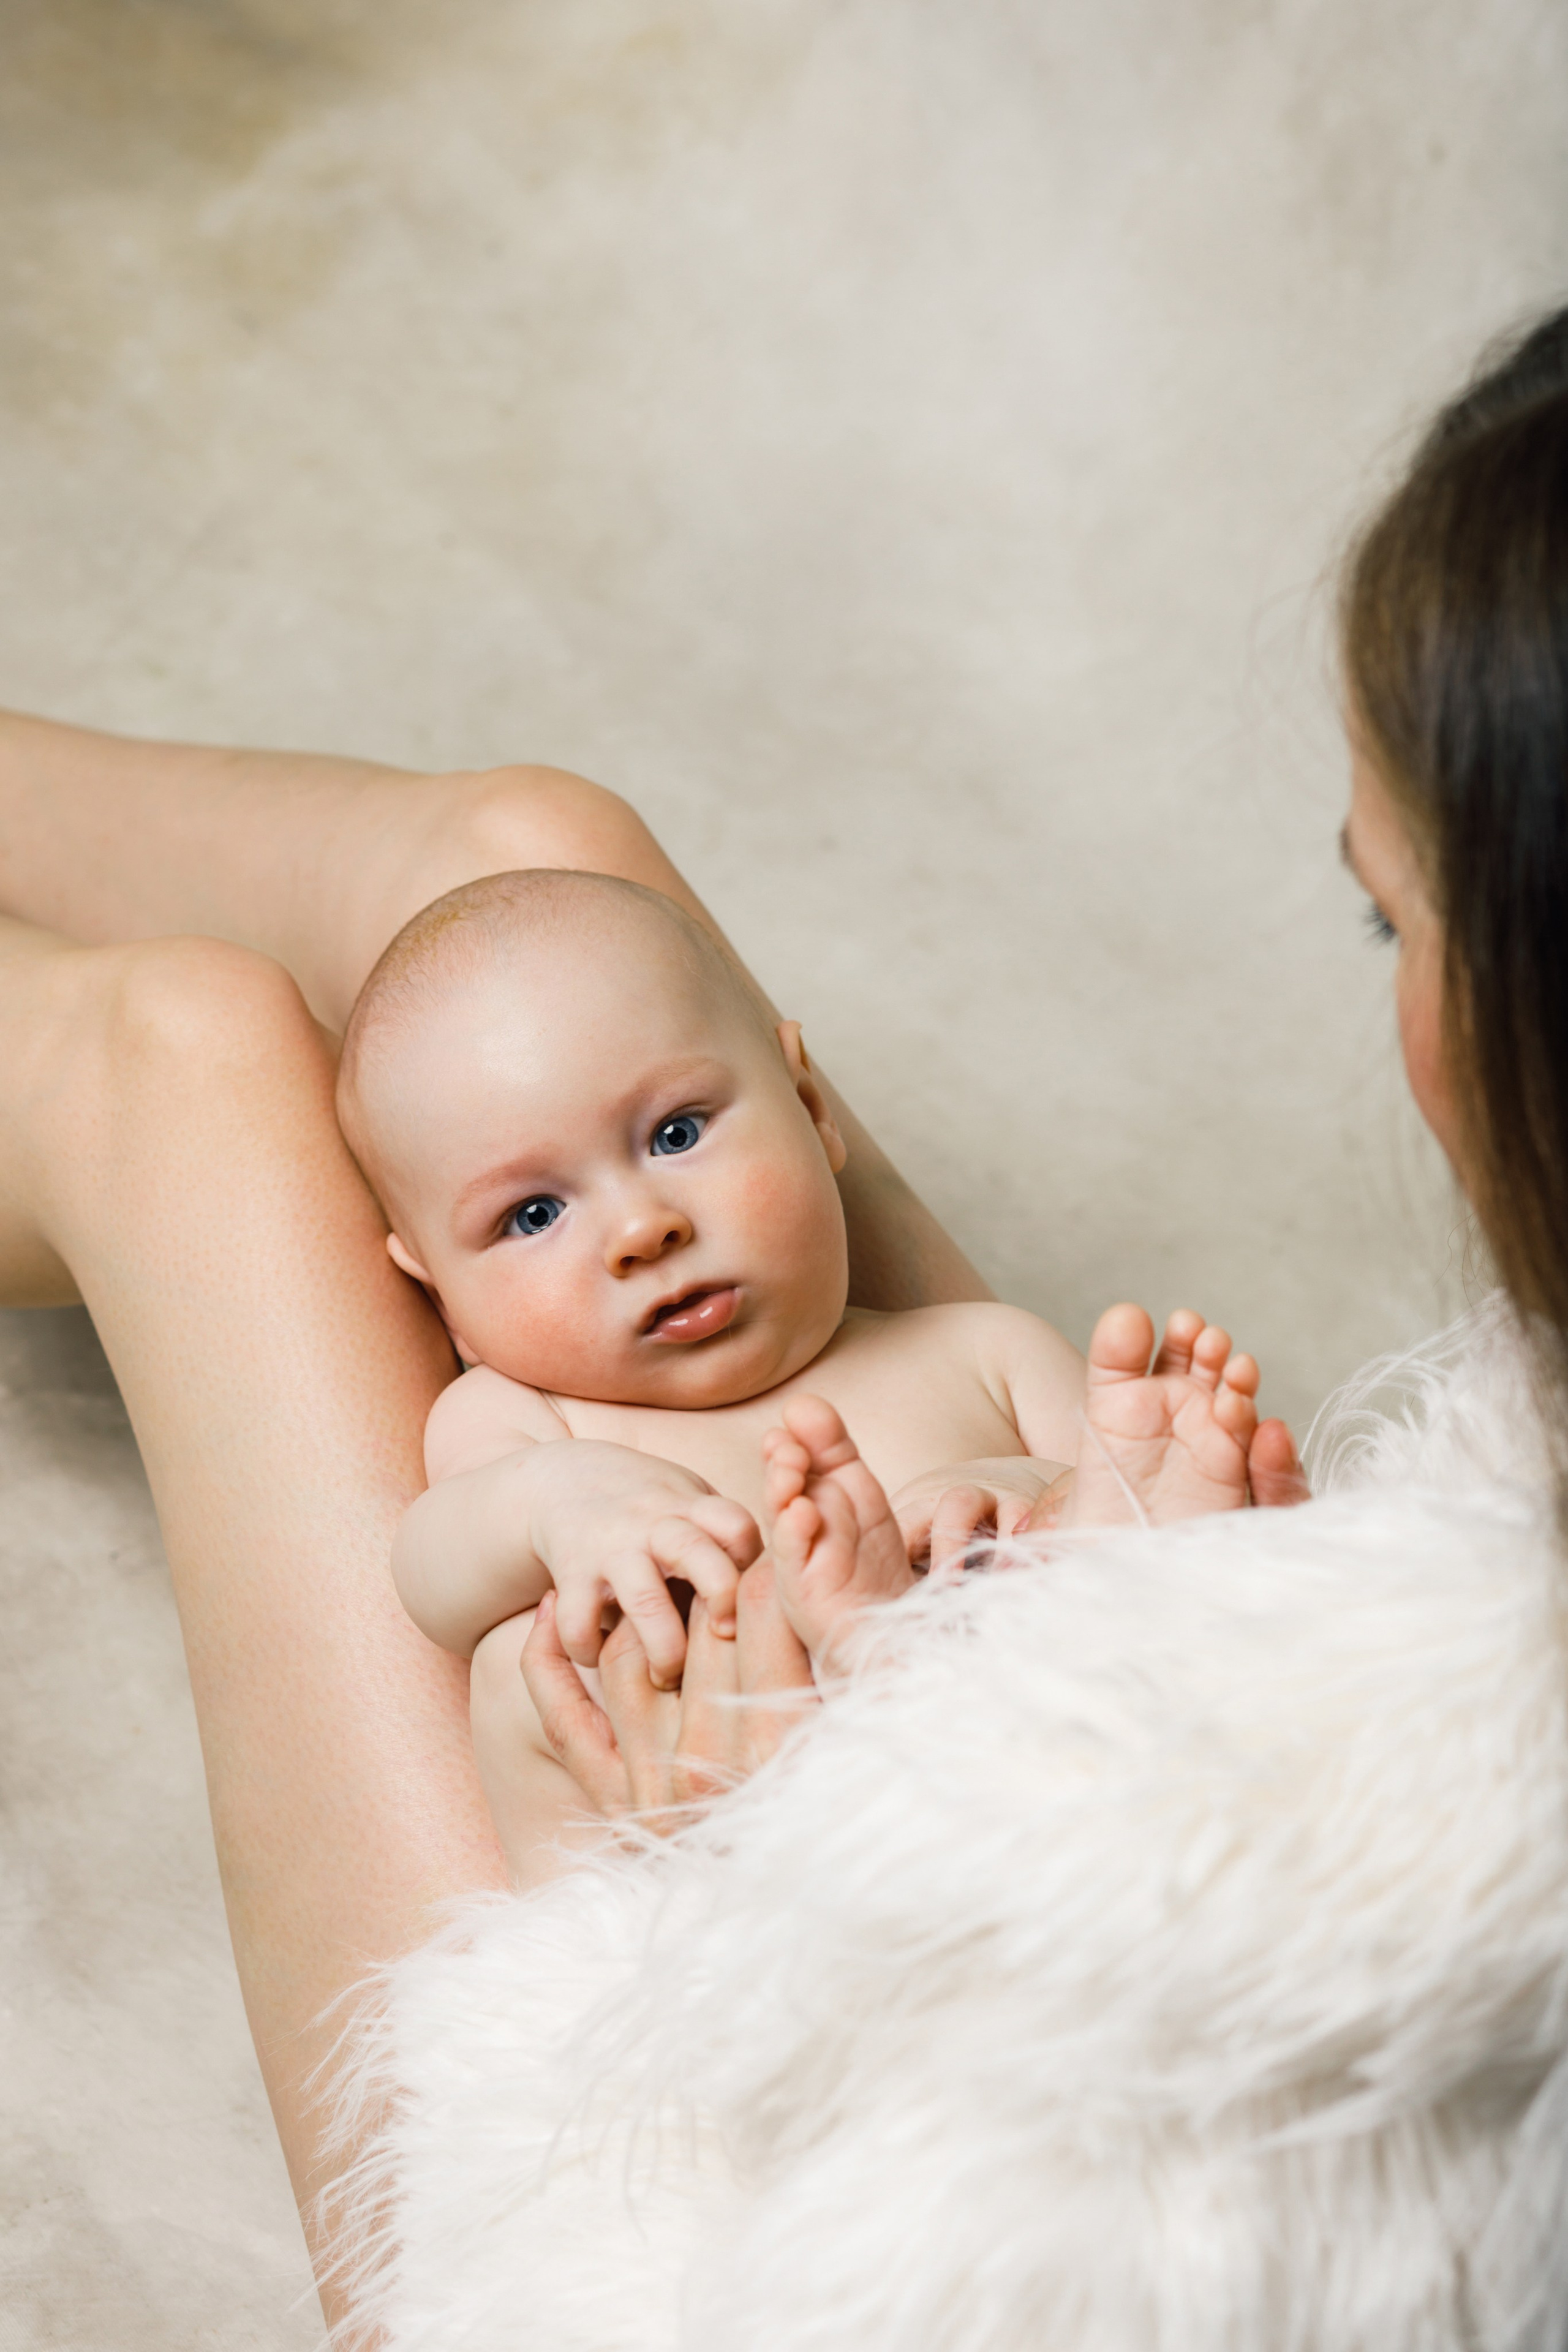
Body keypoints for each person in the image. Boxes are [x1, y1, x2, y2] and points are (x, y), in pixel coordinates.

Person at [0, 301, 1559, 2343]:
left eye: (1399, 917)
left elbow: (1055, 2148)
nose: (643, 1235)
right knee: (533, 859)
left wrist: (734, 1862)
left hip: (655, 2187)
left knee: (189, 1059)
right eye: (547, 1215)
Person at [337, 864, 1283, 1874]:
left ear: (809, 1104)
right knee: (517, 1670)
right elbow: (428, 1576)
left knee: (1108, 1532)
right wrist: (560, 1507)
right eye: (533, 1215)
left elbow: (1112, 1513)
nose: (641, 1229)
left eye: (676, 1133)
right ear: (441, 1295)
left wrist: (1016, 1501)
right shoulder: (530, 1424)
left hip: (1054, 1799)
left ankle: (941, 1637)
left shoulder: (981, 1351)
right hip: (719, 1869)